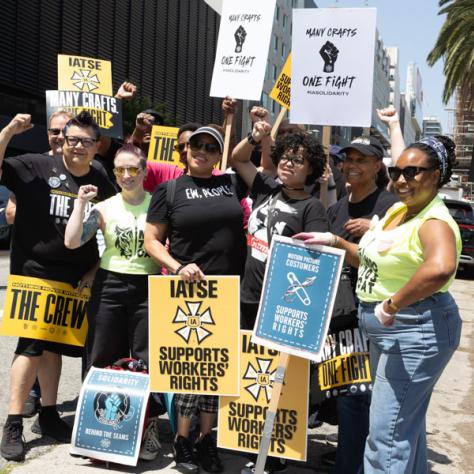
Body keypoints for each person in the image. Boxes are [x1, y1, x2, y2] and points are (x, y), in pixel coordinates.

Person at [294, 135, 462, 473]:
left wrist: (393, 304)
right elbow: (370, 260)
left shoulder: (433, 221)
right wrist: (334, 241)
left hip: (415, 330)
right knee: (404, 430)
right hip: (392, 332)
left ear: (436, 175)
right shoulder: (400, 211)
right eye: (398, 171)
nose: (402, 179)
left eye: (413, 172)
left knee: (386, 437)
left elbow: (441, 267)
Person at [0, 111, 116, 462]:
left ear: (97, 147)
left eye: (86, 141)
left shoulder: (100, 176)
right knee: (31, 346)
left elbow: (113, 222)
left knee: (53, 346)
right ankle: (13, 422)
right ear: (62, 141)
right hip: (35, 272)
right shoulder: (34, 166)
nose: (78, 146)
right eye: (72, 139)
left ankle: (48, 414)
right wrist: (7, 133)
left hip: (74, 278)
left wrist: (95, 269)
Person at [144, 126, 246, 473]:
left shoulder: (231, 183)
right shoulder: (169, 189)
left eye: (210, 146)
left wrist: (260, 132)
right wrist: (177, 267)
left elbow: (255, 165)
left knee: (217, 372)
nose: (202, 150)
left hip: (229, 289)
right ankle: (183, 440)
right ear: (185, 150)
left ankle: (206, 440)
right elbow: (152, 242)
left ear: (219, 154)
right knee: (190, 373)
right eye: (196, 145)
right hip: (188, 291)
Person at [231, 116, 328, 474]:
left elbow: (315, 260)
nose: (288, 162)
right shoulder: (266, 187)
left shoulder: (312, 208)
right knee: (253, 372)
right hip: (247, 297)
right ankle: (252, 436)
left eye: (298, 160)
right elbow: (239, 160)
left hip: (280, 304)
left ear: (312, 170)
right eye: (286, 156)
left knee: (279, 378)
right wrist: (256, 137)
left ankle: (274, 448)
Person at [64, 143, 162, 460]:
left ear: (144, 171)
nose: (126, 175)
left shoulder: (158, 206)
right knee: (102, 355)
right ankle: (96, 428)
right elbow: (72, 240)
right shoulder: (104, 207)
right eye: (120, 169)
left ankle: (146, 429)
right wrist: (80, 204)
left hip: (148, 286)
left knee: (146, 360)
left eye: (133, 168)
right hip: (110, 285)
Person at [315, 135, 398, 474]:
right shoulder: (335, 209)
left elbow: (390, 264)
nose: (351, 165)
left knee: (366, 400)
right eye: (347, 158)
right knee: (348, 398)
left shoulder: (392, 208)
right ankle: (350, 461)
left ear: (379, 165)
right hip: (341, 317)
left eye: (361, 159)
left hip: (378, 315)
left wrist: (375, 231)